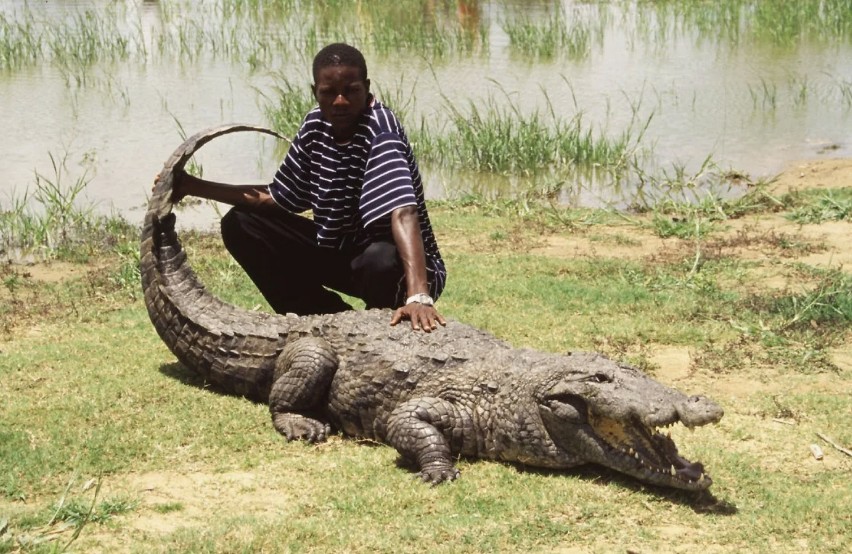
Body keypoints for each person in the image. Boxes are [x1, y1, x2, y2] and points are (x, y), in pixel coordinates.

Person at [171, 43, 447, 333]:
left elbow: (403, 211)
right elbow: (275, 196)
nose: (340, 101)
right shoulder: (315, 124)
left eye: (351, 91)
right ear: (315, 91)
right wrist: (192, 186)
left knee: (378, 259)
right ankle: (325, 322)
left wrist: (419, 296)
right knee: (241, 224)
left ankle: (384, 327)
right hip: (340, 251)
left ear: (366, 88)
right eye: (329, 92)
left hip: (398, 267)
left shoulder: (380, 129)